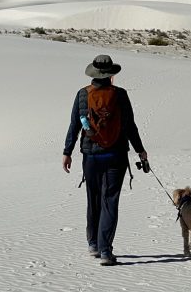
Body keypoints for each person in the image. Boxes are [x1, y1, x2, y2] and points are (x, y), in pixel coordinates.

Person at [62, 54, 148, 266]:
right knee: (110, 201)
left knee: (94, 199)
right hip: (116, 155)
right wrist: (140, 150)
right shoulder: (120, 95)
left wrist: (67, 151)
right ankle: (105, 250)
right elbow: (130, 126)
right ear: (111, 76)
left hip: (90, 156)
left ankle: (93, 244)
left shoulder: (82, 94)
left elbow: (74, 125)